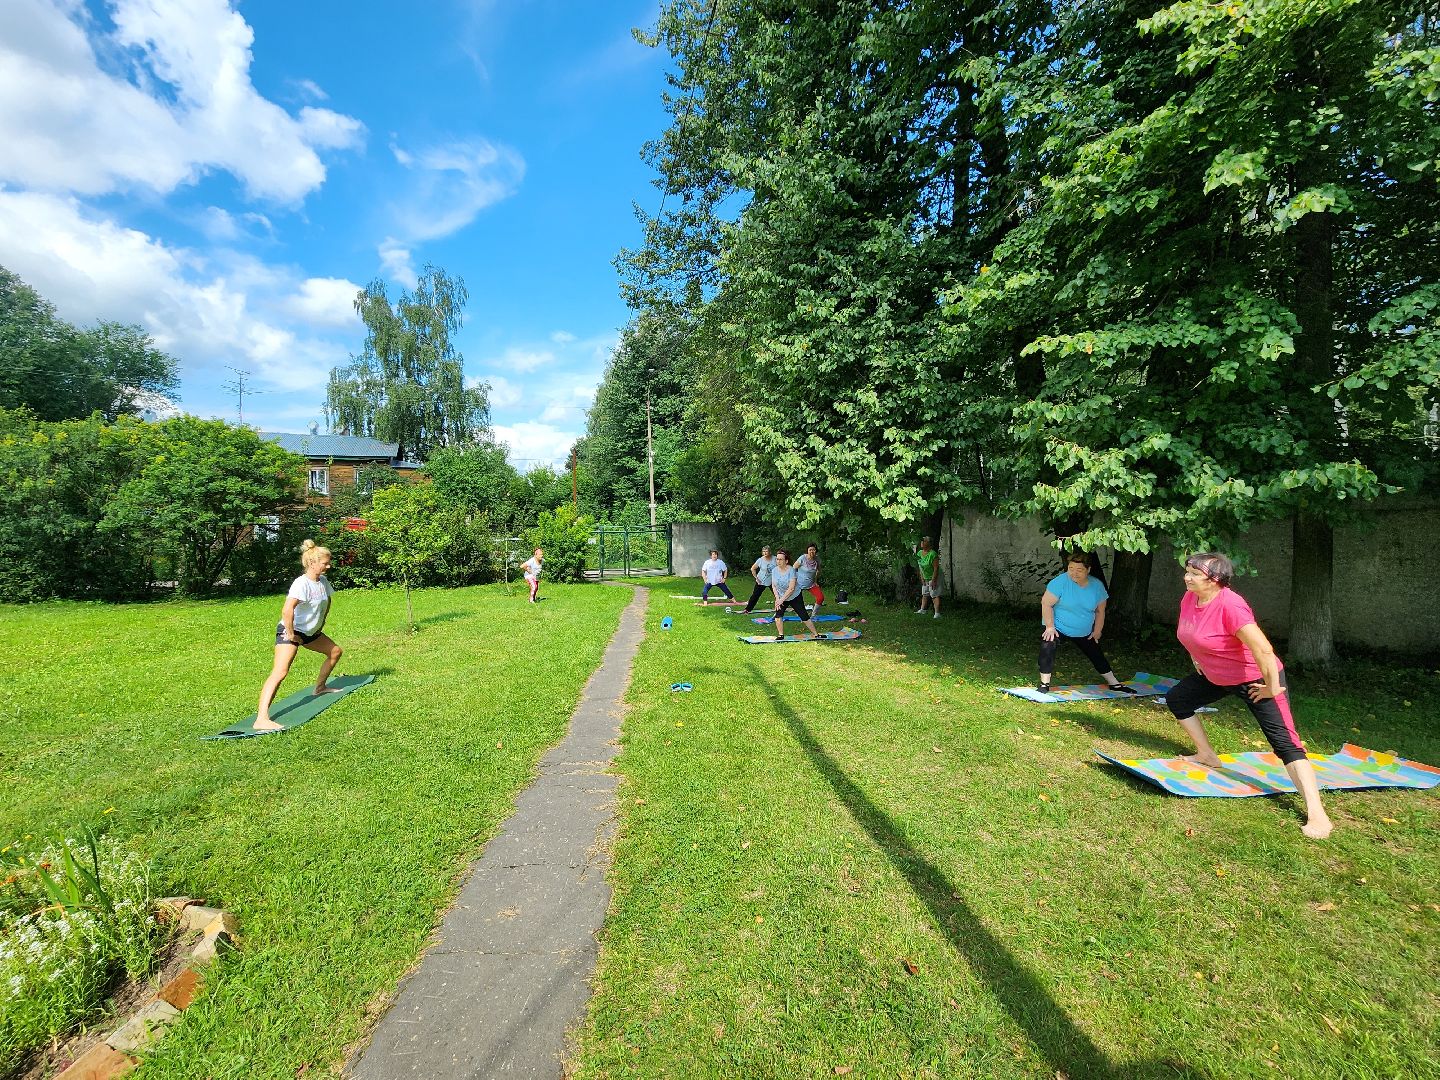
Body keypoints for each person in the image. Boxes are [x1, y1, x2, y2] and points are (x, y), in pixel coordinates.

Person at [1168, 553, 1333, 840]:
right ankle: (1207, 755)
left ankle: (1317, 813)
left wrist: (1272, 687)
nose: (1187, 577)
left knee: (1286, 744)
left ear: (1215, 580)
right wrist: (1197, 657)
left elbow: (1263, 650)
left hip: (1255, 679)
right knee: (1179, 699)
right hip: (1217, 675)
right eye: (1187, 571)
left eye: (1194, 574)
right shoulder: (1190, 598)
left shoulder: (1231, 606)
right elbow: (1189, 632)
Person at [254, 539, 344, 732]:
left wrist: (322, 622)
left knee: (335, 651)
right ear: (312, 563)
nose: (329, 566)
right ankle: (261, 718)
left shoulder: (323, 582)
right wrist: (292, 634)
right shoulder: (301, 584)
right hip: (291, 631)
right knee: (280, 672)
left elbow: (327, 601)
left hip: (311, 632)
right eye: (325, 563)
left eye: (329, 562)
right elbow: (287, 610)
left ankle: (320, 687)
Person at [1038, 551, 1135, 696]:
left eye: (1079, 570)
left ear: (1088, 570)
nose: (1074, 573)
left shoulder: (1097, 586)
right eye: (1071, 569)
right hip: (1059, 627)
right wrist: (1050, 627)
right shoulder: (1060, 582)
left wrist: (1097, 631)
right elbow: (1046, 604)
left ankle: (1114, 684)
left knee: (1095, 653)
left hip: (1082, 630)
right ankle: (1044, 684)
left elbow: (1100, 612)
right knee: (1048, 645)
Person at [771, 549, 820, 640]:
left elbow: (791, 588)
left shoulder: (791, 570)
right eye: (777, 559)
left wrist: (781, 600)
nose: (778, 561)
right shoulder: (774, 571)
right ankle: (781, 635)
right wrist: (777, 599)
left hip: (795, 596)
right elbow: (774, 586)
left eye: (781, 559)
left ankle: (816, 634)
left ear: (786, 561)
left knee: (803, 615)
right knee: (778, 616)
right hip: (781, 597)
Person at [744, 545, 777, 613]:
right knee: (755, 595)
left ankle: (783, 606)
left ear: (770, 552)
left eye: (766, 551)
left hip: (772, 581)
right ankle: (748, 609)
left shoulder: (775, 559)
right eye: (763, 551)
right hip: (761, 580)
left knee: (778, 594)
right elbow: (753, 568)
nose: (765, 553)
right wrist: (756, 578)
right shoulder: (760, 560)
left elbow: (780, 568)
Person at [915, 536, 941, 618]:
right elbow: (920, 566)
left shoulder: (933, 554)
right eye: (922, 541)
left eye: (924, 541)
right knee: (925, 593)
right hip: (925, 576)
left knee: (934, 594)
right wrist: (922, 577)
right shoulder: (919, 553)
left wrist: (934, 580)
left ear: (929, 544)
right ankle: (923, 610)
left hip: (934, 576)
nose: (922, 542)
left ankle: (937, 613)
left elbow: (936, 568)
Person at [796, 543, 823, 615]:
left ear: (816, 551)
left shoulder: (817, 559)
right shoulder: (802, 558)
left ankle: (813, 614)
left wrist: (816, 581)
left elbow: (818, 570)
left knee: (820, 598)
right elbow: (793, 568)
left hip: (811, 584)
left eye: (813, 550)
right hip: (798, 584)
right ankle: (778, 613)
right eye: (810, 550)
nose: (812, 551)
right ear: (807, 551)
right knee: (791, 599)